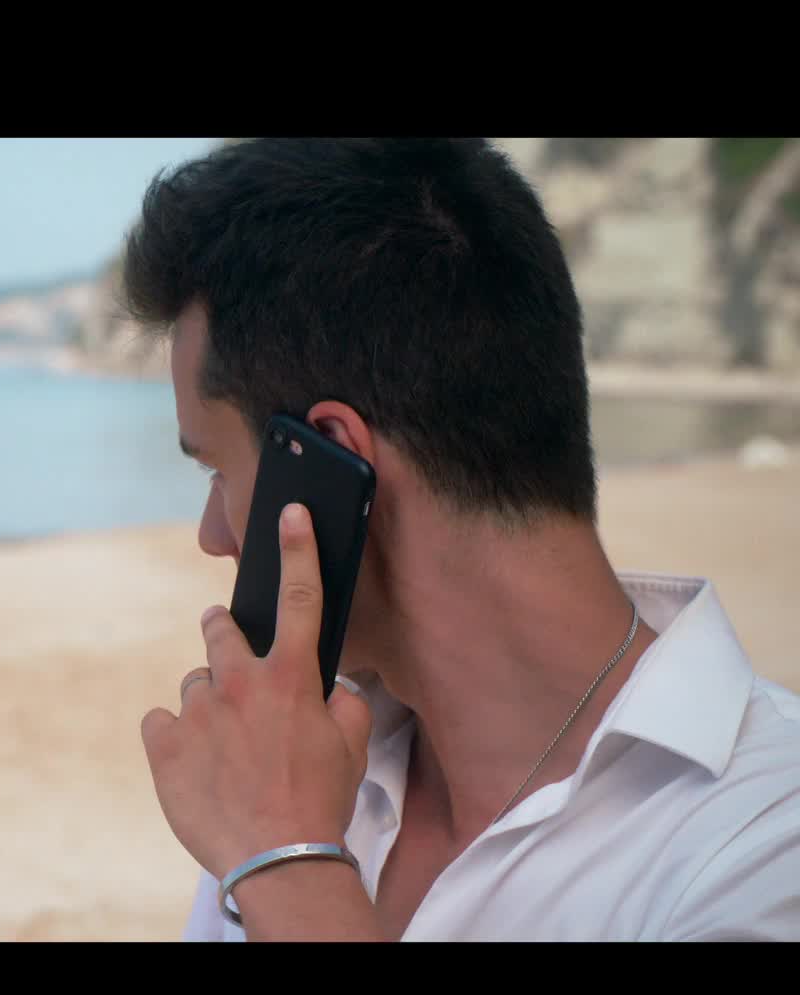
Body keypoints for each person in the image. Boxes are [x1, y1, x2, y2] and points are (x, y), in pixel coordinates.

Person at [122, 138, 800, 941]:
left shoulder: (766, 835)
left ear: (332, 457)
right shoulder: (295, 764)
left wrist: (286, 863)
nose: (211, 535)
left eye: (216, 472)